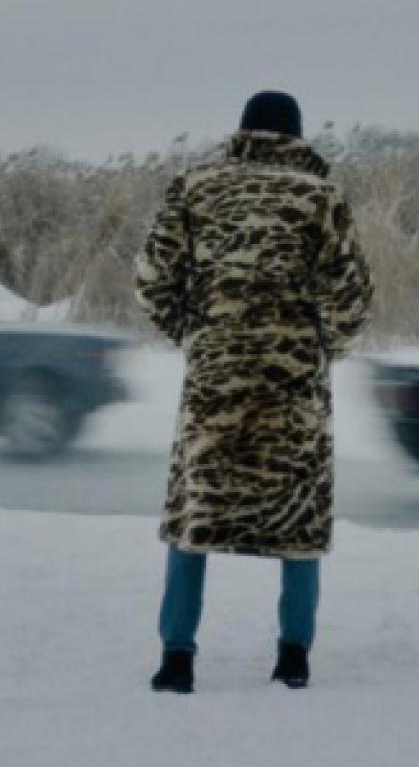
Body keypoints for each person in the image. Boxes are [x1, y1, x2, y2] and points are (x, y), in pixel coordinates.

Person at [134, 90, 373, 693]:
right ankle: (293, 656)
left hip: (215, 379)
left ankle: (177, 660)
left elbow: (153, 279)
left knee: (197, 511)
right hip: (292, 385)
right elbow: (349, 297)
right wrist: (326, 348)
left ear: (242, 132)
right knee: (297, 514)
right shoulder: (320, 197)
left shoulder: (195, 187)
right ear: (296, 136)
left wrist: (194, 332)